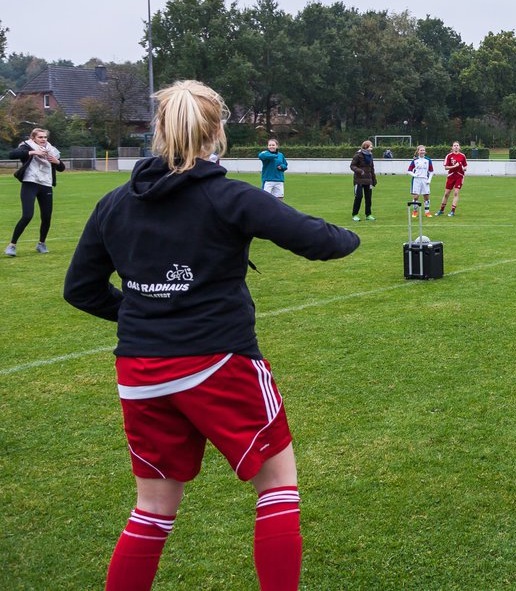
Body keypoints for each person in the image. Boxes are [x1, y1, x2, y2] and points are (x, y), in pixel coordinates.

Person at [62, 80, 360, 591]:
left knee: (152, 508)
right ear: (217, 132)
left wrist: (148, 315)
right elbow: (320, 242)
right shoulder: (228, 197)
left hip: (140, 373)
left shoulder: (114, 204)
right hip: (220, 364)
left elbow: (81, 290)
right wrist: (350, 236)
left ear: (157, 132)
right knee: (276, 487)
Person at [6, 126, 65, 257]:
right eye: (40, 137)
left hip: (46, 185)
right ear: (33, 138)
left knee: (46, 217)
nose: (43, 139)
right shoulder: (26, 146)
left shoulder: (52, 150)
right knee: (27, 215)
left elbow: (61, 168)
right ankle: (12, 245)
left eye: (45, 137)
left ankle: (41, 244)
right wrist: (33, 153)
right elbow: (12, 154)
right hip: (30, 183)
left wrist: (57, 162)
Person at [350, 140, 377, 221]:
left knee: (368, 198)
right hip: (359, 180)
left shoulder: (370, 156)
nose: (372, 148)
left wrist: (374, 179)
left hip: (368, 180)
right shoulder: (357, 155)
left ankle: (368, 215)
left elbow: (372, 168)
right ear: (365, 146)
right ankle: (355, 215)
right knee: (359, 197)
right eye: (370, 146)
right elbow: (352, 166)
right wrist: (359, 171)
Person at [438, 141, 467, 217]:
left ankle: (452, 211)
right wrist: (454, 166)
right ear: (452, 147)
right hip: (451, 176)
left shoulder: (462, 156)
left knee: (456, 193)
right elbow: (446, 167)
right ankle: (441, 210)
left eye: (457, 145)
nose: (456, 147)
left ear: (459, 147)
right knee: (446, 194)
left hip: (459, 176)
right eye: (454, 145)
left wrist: (464, 168)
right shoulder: (449, 156)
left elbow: (465, 166)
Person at [407, 145, 434, 218]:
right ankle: (415, 211)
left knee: (426, 197)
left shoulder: (428, 160)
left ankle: (427, 212)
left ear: (425, 151)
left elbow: (431, 171)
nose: (422, 151)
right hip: (416, 180)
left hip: (425, 180)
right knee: (416, 197)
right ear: (418, 151)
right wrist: (415, 175)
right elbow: (409, 170)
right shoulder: (415, 160)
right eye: (421, 150)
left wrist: (429, 180)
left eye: (423, 150)